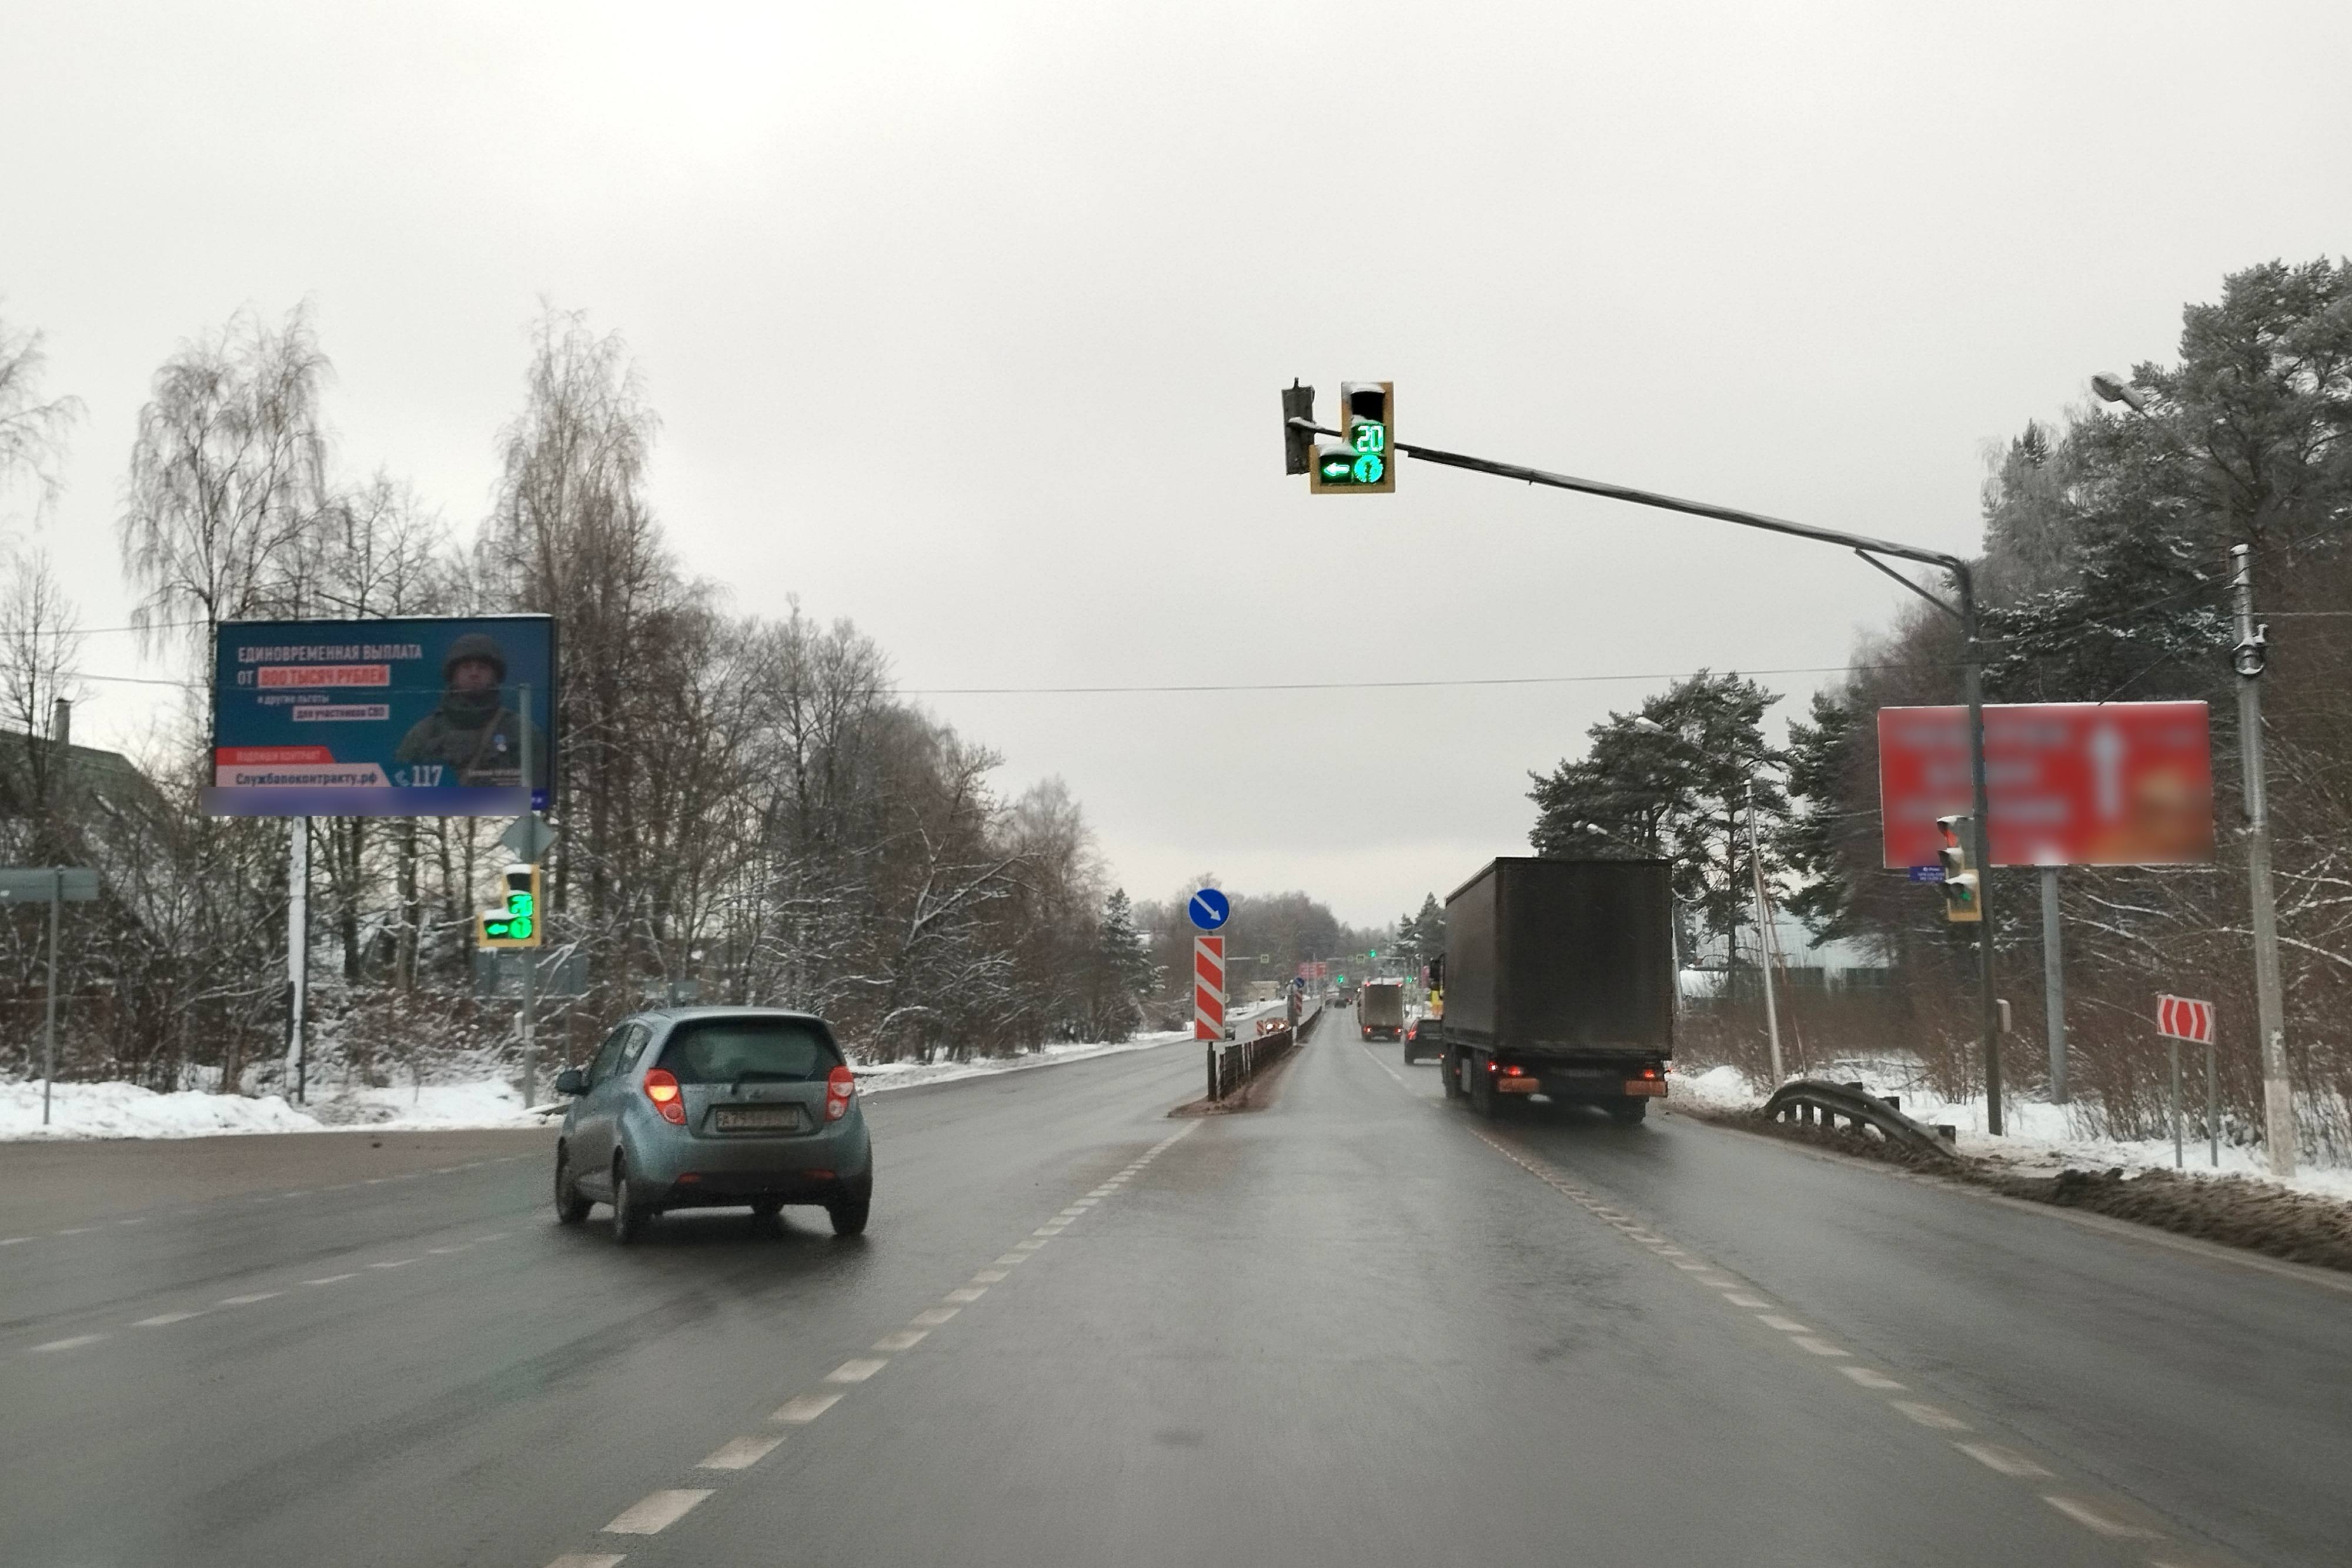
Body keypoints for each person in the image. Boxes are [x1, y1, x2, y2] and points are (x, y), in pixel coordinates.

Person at [395, 632, 547, 791]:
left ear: (496, 676)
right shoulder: (424, 734)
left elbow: (536, 795)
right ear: (453, 675)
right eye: (466, 667)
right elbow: (401, 793)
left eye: (483, 667)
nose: (474, 673)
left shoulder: (522, 732)